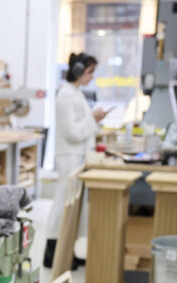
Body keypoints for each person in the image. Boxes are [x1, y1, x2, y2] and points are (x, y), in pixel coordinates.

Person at [44, 52, 107, 268]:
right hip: (69, 156)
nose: (92, 77)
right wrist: (93, 118)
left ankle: (67, 250)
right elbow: (71, 132)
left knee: (74, 206)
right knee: (63, 204)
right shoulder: (66, 96)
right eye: (90, 72)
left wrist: (94, 121)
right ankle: (52, 252)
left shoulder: (76, 93)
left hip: (78, 156)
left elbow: (82, 127)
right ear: (78, 71)